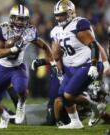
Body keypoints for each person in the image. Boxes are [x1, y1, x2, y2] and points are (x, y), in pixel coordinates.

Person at [0, 4, 55, 128]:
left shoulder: (29, 31)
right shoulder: (2, 29)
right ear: (11, 18)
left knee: (21, 88)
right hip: (2, 68)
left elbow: (44, 46)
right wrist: (13, 49)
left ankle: (21, 104)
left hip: (17, 67)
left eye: (23, 19)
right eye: (17, 18)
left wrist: (51, 61)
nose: (20, 22)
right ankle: (4, 116)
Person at [50, 0, 106, 129]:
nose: (59, 18)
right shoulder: (57, 30)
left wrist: (93, 64)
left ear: (70, 12)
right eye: (57, 15)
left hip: (87, 64)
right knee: (62, 95)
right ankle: (75, 122)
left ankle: (95, 107)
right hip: (71, 68)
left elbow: (93, 45)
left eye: (62, 14)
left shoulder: (79, 24)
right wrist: (59, 68)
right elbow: (57, 54)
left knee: (69, 95)